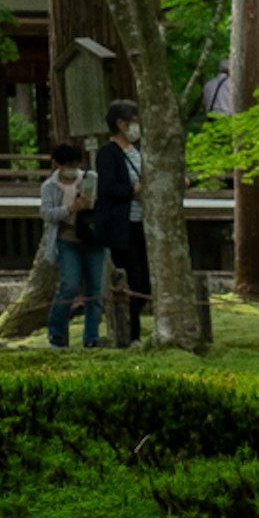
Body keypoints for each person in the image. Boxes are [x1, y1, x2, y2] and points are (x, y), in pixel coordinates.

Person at [97, 100, 151, 346]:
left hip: (142, 223)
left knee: (147, 282)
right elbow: (108, 188)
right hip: (122, 225)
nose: (137, 127)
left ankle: (133, 328)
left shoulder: (138, 152)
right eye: (135, 121)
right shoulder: (107, 153)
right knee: (132, 279)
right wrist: (134, 190)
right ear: (121, 123)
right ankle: (131, 335)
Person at [40, 142, 103, 349]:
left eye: (74, 164)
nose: (71, 168)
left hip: (92, 238)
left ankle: (92, 337)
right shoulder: (50, 186)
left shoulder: (90, 178)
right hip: (67, 239)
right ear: (57, 165)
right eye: (67, 164)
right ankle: (56, 334)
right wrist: (71, 208)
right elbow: (47, 214)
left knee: (95, 289)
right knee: (69, 286)